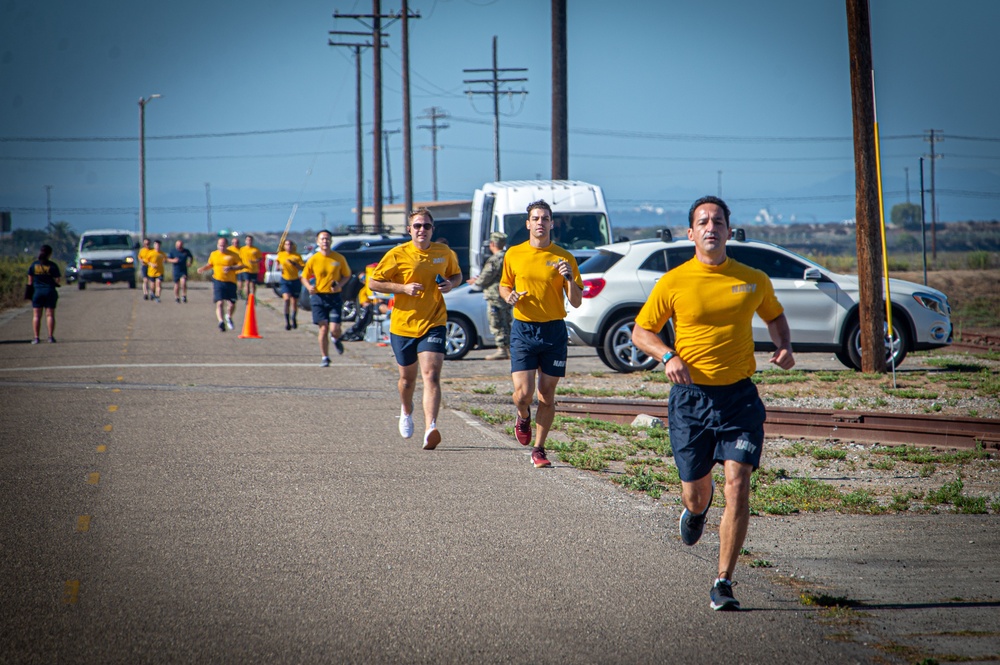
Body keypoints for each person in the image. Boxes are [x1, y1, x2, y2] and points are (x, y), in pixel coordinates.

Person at [630, 195, 795, 612]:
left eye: (717, 221)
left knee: (738, 485)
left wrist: (784, 345)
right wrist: (668, 356)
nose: (710, 227)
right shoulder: (674, 281)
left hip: (739, 398)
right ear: (691, 233)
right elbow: (641, 331)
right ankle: (696, 512)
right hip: (690, 400)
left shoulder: (752, 279)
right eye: (702, 221)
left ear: (728, 230)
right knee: (697, 495)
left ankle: (723, 581)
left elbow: (774, 316)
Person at [498, 200, 583, 468]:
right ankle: (522, 416)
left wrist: (569, 278)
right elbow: (503, 285)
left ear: (551, 223)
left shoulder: (564, 257)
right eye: (536, 218)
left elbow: (577, 301)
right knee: (523, 394)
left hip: (553, 331)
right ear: (528, 223)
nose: (540, 222)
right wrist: (509, 296)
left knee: (546, 394)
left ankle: (539, 449)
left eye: (545, 218)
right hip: (524, 329)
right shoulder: (514, 253)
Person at [369, 209, 461, 451]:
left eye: (427, 226)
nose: (422, 230)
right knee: (407, 380)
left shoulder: (444, 252)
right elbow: (373, 282)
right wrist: (402, 288)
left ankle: (431, 427)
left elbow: (457, 274)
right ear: (409, 229)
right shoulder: (397, 254)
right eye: (417, 226)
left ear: (433, 229)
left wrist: (451, 284)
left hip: (434, 322)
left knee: (431, 375)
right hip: (403, 325)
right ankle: (406, 411)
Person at [300, 230, 352, 366]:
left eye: (327, 239)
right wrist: (308, 287)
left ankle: (336, 339)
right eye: (322, 239)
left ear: (331, 241)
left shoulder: (338, 258)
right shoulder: (314, 259)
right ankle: (325, 357)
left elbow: (347, 275)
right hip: (318, 297)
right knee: (323, 328)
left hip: (334, 296)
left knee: (335, 329)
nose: (325, 241)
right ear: (318, 242)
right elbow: (304, 276)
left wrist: (339, 285)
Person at [468, 231, 512, 360]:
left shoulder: (494, 259)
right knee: (505, 321)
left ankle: (502, 349)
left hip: (495, 296)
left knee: (497, 322)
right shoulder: (507, 257)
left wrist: (476, 281)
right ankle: (508, 348)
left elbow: (485, 277)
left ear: (492, 244)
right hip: (505, 294)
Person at [197, 236, 246, 332]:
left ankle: (228, 316)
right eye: (220, 246)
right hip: (218, 280)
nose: (221, 248)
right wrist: (203, 268)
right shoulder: (214, 254)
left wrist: (231, 268)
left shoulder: (233, 254)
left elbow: (241, 265)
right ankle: (221, 322)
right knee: (219, 302)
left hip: (230, 281)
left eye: (223, 246)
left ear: (227, 245)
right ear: (217, 246)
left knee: (231, 304)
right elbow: (210, 264)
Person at [27, 244, 61, 343]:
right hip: (50, 291)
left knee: (36, 316)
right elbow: (58, 279)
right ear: (50, 254)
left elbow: (30, 281)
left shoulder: (34, 265)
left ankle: (36, 337)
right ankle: (50, 336)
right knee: (50, 315)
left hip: (37, 292)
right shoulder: (52, 265)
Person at [276, 239, 304, 330]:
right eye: (287, 245)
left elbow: (302, 267)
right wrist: (279, 267)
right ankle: (287, 321)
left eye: (290, 245)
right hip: (285, 280)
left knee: (294, 302)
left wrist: (295, 264)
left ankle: (293, 318)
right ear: (284, 246)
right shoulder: (281, 255)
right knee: (286, 299)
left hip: (295, 280)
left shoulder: (297, 256)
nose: (289, 246)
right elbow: (277, 263)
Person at [238, 235, 262, 300]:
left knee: (253, 284)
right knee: (247, 282)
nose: (249, 241)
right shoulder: (242, 249)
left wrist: (255, 261)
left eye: (250, 240)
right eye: (248, 240)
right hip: (245, 269)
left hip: (254, 269)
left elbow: (260, 258)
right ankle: (247, 297)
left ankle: (253, 296)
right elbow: (239, 258)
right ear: (245, 241)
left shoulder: (256, 249)